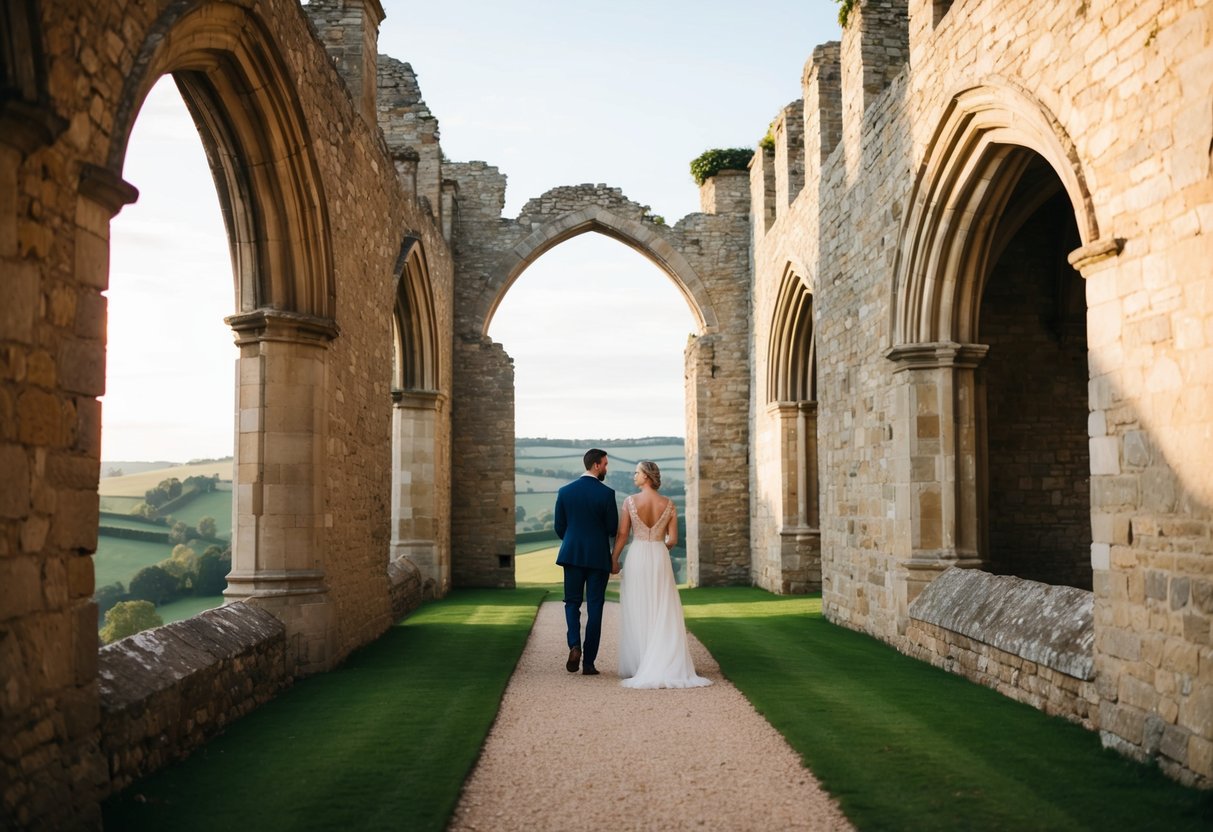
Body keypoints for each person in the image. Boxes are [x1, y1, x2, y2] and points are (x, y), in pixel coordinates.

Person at [613, 460, 711, 689]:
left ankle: (640, 662)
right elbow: (673, 539)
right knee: (661, 605)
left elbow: (622, 534)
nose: (633, 476)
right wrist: (658, 549)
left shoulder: (630, 501)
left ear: (646, 476)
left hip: (637, 555)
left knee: (638, 605)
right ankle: (662, 660)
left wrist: (613, 558)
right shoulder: (668, 504)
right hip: (659, 556)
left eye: (637, 473)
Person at [554, 448, 618, 676]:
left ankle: (574, 645)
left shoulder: (565, 492)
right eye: (605, 464)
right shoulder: (607, 494)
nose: (606, 468)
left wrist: (574, 542)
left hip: (571, 555)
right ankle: (589, 663)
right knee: (595, 607)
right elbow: (612, 529)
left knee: (571, 603)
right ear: (596, 465)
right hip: (598, 557)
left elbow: (560, 527)